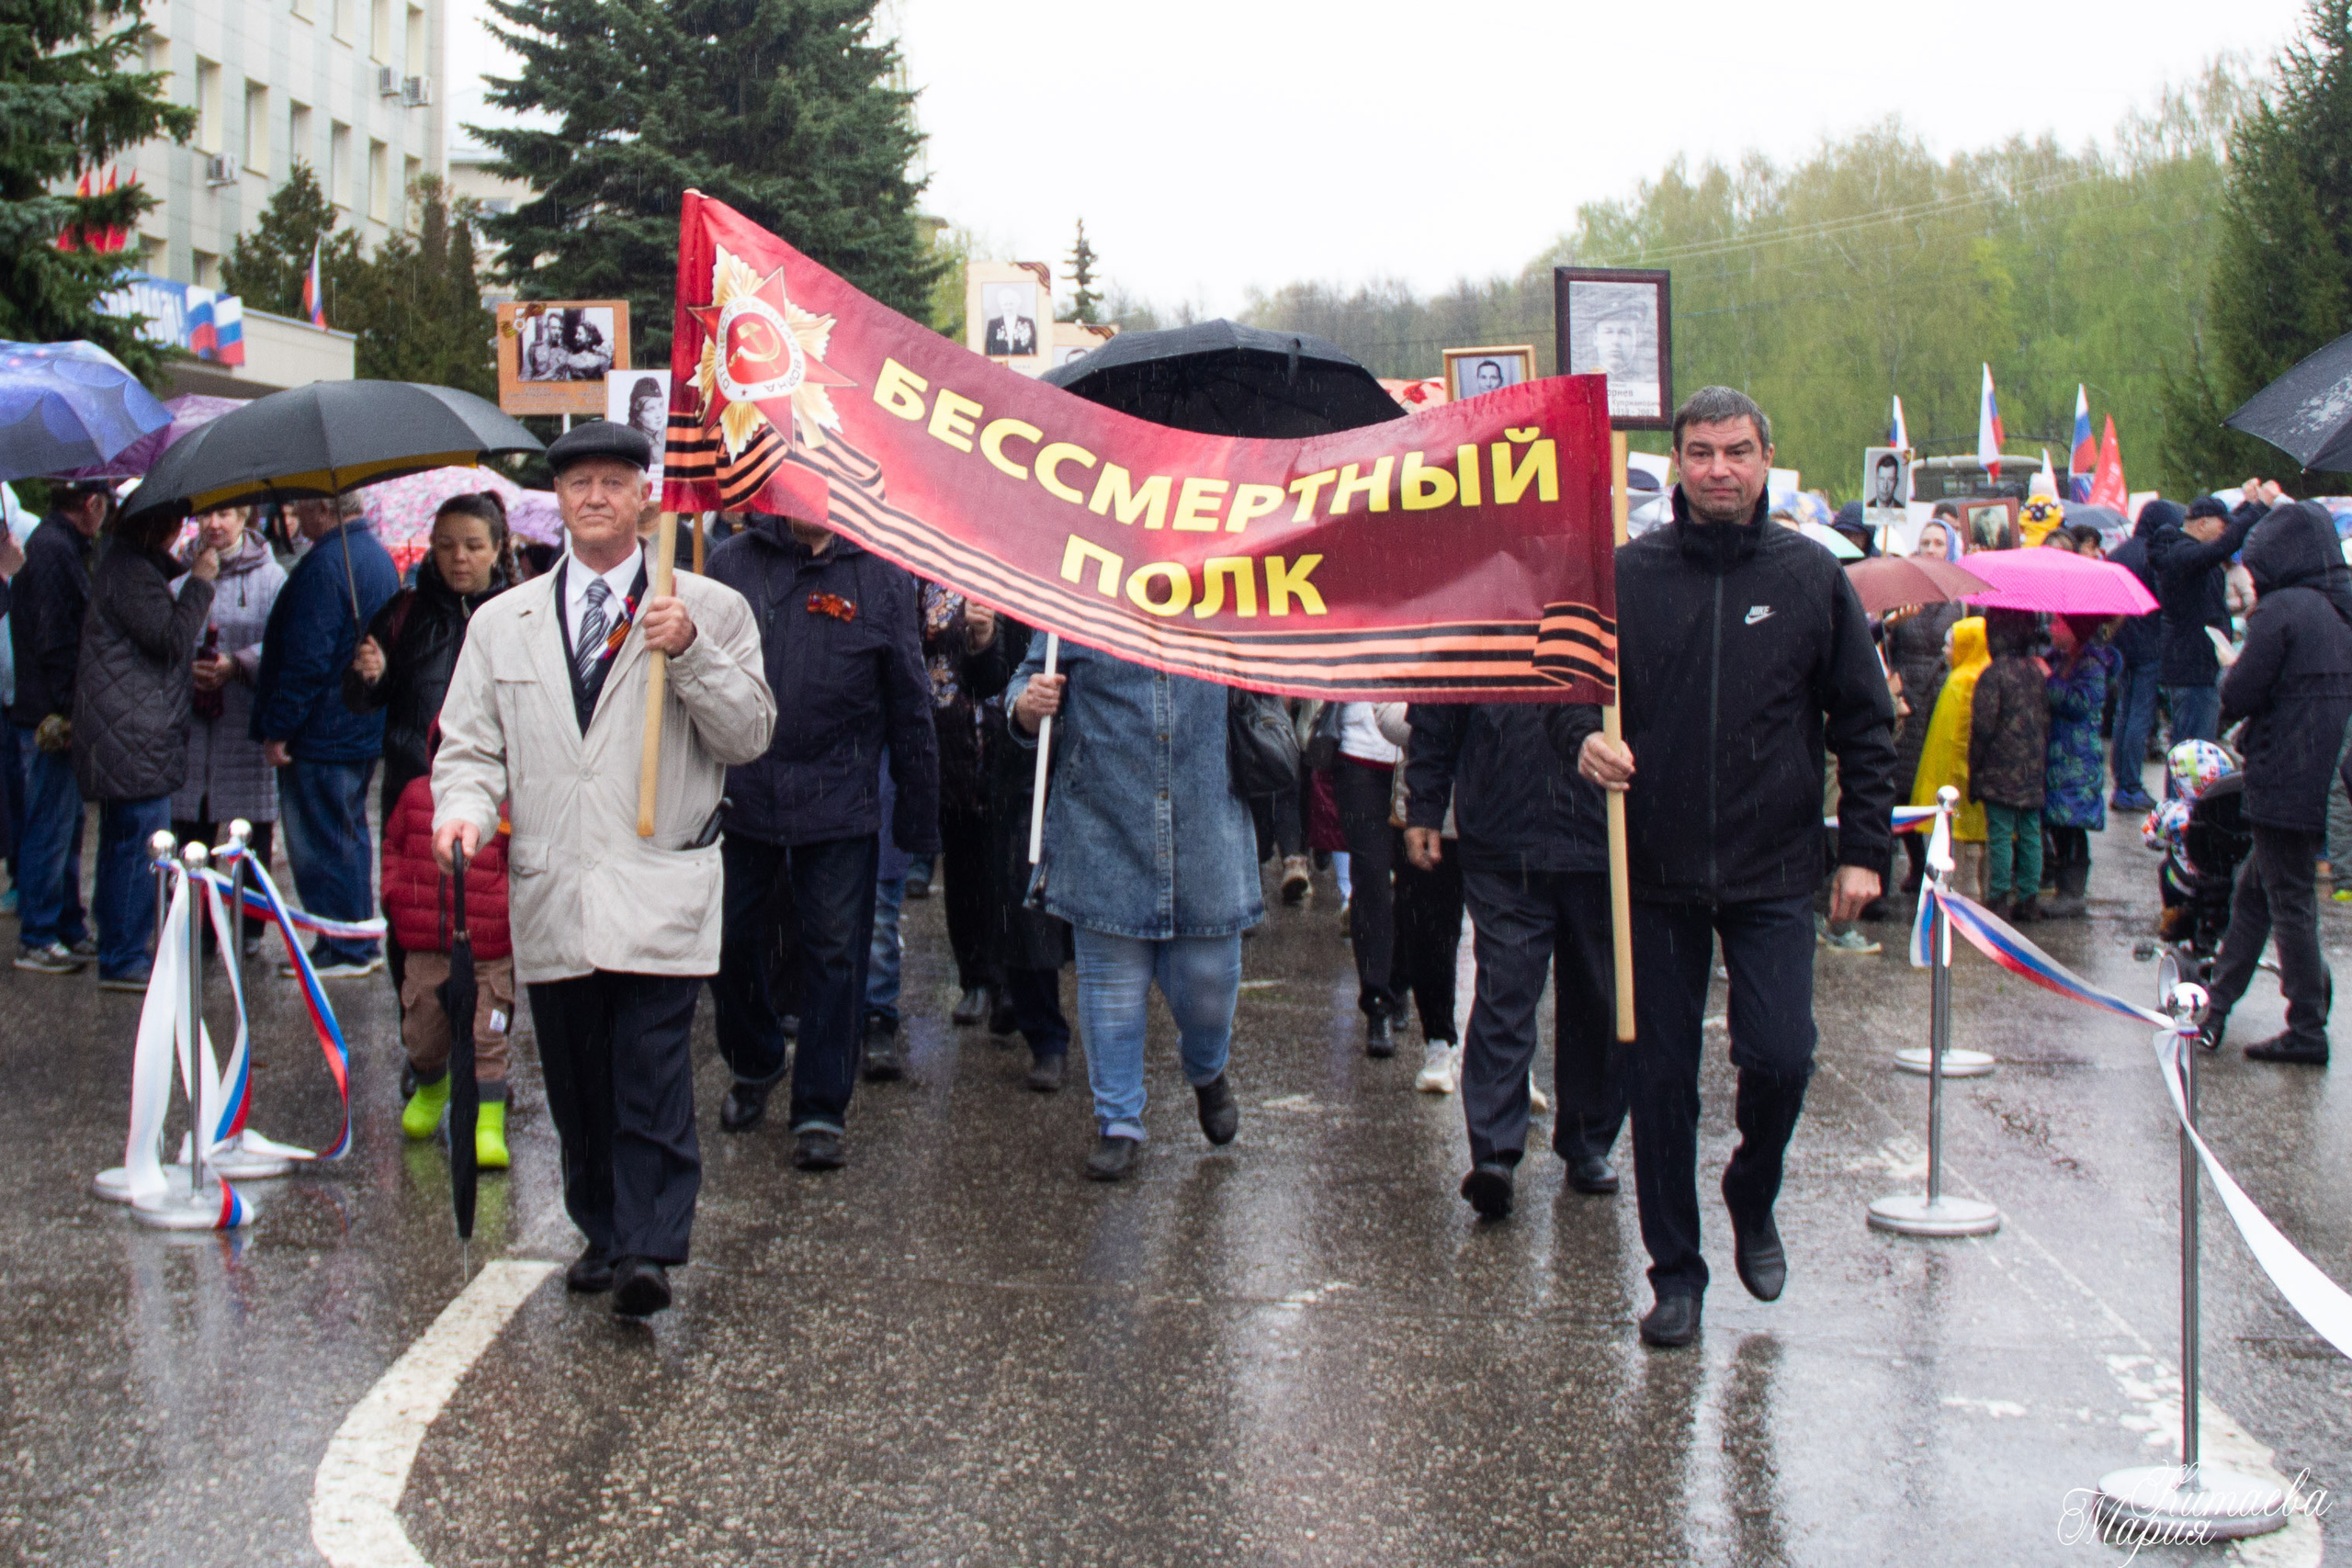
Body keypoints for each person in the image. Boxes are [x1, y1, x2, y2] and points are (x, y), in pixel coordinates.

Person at [1555, 386, 1895, 1350]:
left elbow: (1864, 724)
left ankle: (1753, 1187)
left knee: (1780, 1055)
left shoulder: (1808, 578)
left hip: (1774, 869)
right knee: (1658, 1082)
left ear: (1764, 456)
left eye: (1735, 452)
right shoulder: (1624, 575)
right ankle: (1676, 1273)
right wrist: (1584, 739)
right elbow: (1564, 693)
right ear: (1676, 464)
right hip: (1651, 871)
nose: (1717, 470)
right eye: (1699, 453)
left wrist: (1863, 850)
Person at [432, 422, 775, 1316]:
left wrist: (691, 647)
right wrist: (463, 813)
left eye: (612, 482)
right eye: (577, 482)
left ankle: (649, 1248)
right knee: (579, 1077)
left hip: (658, 881)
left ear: (642, 498)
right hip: (555, 884)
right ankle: (603, 1229)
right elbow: (468, 746)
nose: (593, 496)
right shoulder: (498, 624)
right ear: (558, 501)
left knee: (649, 1069)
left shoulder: (708, 606)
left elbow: (748, 734)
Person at [703, 502, 937, 1164]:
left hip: (840, 799)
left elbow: (910, 701)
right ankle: (755, 1060)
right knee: (724, 941)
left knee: (836, 954)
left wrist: (920, 818)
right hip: (742, 796)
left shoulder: (883, 576)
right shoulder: (731, 564)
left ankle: (820, 1108)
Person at [1009, 638, 1259, 1181]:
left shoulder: (1228, 579)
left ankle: (1207, 1068)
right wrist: (1025, 706)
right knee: (1111, 993)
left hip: (1206, 825)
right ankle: (1117, 1121)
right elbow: (1024, 681)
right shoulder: (1078, 590)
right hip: (1104, 824)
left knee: (1209, 986)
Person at [345, 494, 513, 1159]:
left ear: (497, 547)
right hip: (413, 798)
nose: (459, 558)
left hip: (495, 803)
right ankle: (427, 1060)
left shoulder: (516, 611)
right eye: (445, 544)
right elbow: (359, 698)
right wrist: (369, 677)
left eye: (472, 544)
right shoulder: (405, 611)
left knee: (492, 940)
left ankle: (488, 1068)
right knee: (415, 933)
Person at [1407, 703, 1622, 1216]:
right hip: (1503, 832)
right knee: (1505, 988)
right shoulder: (1479, 619)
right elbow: (1442, 697)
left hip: (1597, 831)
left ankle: (1588, 1141)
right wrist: (1424, 805)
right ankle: (1495, 1152)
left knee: (1596, 996)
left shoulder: (1616, 619)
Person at [2197, 500, 2352, 1066]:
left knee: (2287, 905)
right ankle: (2216, 1010)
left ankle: (2307, 1025)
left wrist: (2230, 663)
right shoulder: (2337, 612)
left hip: (2283, 775)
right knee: (2256, 895)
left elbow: (2239, 695)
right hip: (2316, 775)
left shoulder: (2281, 612)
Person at [252, 493, 398, 978]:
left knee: (322, 841)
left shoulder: (325, 565)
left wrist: (280, 728)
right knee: (347, 832)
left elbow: (306, 660)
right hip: (357, 723)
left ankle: (343, 944)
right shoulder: (374, 556)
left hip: (322, 730)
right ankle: (354, 937)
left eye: (298, 510)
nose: (293, 519)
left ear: (322, 508)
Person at [73, 505, 219, 987]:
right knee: (141, 847)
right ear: (163, 526)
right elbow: (170, 639)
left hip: (126, 726)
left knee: (122, 842)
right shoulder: (129, 570)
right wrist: (199, 581)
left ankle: (118, 944)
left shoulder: (125, 562)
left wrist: (186, 566)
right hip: (134, 731)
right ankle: (124, 956)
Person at [969, 613, 1076, 1091]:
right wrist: (984, 638)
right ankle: (1044, 1036)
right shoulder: (1010, 570)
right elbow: (985, 681)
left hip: (1098, 758)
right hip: (1022, 766)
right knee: (1024, 904)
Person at [172, 507, 285, 937]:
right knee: (192, 829)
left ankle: (249, 928)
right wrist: (190, 668)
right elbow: (167, 641)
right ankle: (191, 927)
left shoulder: (273, 580)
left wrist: (237, 664)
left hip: (245, 723)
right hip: (193, 726)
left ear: (244, 519)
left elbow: (281, 640)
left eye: (225, 514)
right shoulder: (181, 580)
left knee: (248, 834)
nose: (214, 524)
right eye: (206, 516)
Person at [10, 480, 107, 973]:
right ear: (92, 504)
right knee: (50, 825)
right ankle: (39, 934)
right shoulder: (52, 550)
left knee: (66, 825)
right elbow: (54, 637)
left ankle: (66, 924)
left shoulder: (58, 546)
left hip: (54, 705)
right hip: (51, 711)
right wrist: (70, 708)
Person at [2150, 493, 2264, 749]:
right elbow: (2221, 548)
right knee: (2194, 749)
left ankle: (2179, 789)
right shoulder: (2181, 553)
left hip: (2198, 664)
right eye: (2221, 527)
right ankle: (2181, 791)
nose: (2224, 534)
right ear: (2201, 524)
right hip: (2192, 667)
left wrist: (2248, 503)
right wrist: (2260, 508)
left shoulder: (2186, 551)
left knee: (2189, 746)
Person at [1884, 525, 1961, 892]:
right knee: (1901, 784)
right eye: (1925, 541)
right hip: (1906, 690)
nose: (1931, 548)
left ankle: (1937, 860)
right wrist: (1890, 625)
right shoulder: (1904, 591)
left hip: (1940, 692)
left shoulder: (1959, 597)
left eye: (1939, 543)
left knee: (1932, 784)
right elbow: (1887, 643)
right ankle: (1915, 863)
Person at [1332, 701, 1408, 1055]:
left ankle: (1402, 980)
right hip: (1357, 753)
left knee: (1416, 882)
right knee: (1372, 879)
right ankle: (1377, 1000)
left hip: (1415, 754)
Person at [1968, 608, 2052, 920]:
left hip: (1999, 767)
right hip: (2032, 765)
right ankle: (2029, 897)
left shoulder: (1993, 675)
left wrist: (1974, 772)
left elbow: (1983, 727)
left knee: (2001, 833)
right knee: (2030, 830)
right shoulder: (2035, 672)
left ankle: (1999, 896)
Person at [2040, 615, 2120, 918]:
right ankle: (2060, 881)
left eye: (2058, 624)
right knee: (2058, 822)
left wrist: (2049, 678)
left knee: (2072, 824)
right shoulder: (2059, 659)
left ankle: (2072, 890)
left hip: (2077, 758)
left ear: (2075, 631)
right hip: (2057, 755)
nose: (2051, 628)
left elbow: (2080, 704)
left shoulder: (2092, 665)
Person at [1910, 617, 1991, 895]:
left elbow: (1959, 737)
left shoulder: (1964, 680)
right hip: (1955, 773)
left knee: (1960, 841)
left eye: (1950, 645)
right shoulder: (1967, 676)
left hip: (1953, 775)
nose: (1945, 651)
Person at [2107, 503, 2166, 810]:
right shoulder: (2154, 554)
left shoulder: (2118, 553)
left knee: (2124, 714)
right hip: (2147, 644)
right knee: (2140, 716)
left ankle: (2121, 782)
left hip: (2120, 642)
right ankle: (2130, 786)